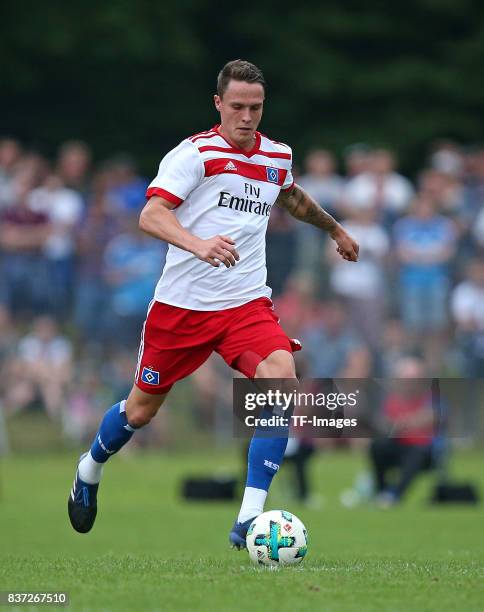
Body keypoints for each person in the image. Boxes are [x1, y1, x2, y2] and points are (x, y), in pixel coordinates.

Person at [67, 60, 359, 548]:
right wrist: (196, 243)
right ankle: (89, 467)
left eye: (256, 107)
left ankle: (248, 521)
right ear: (218, 104)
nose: (247, 116)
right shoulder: (194, 155)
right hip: (182, 309)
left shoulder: (277, 155)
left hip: (245, 304)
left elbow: (292, 198)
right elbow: (151, 215)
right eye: (238, 106)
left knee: (281, 382)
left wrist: (334, 228)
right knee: (140, 412)